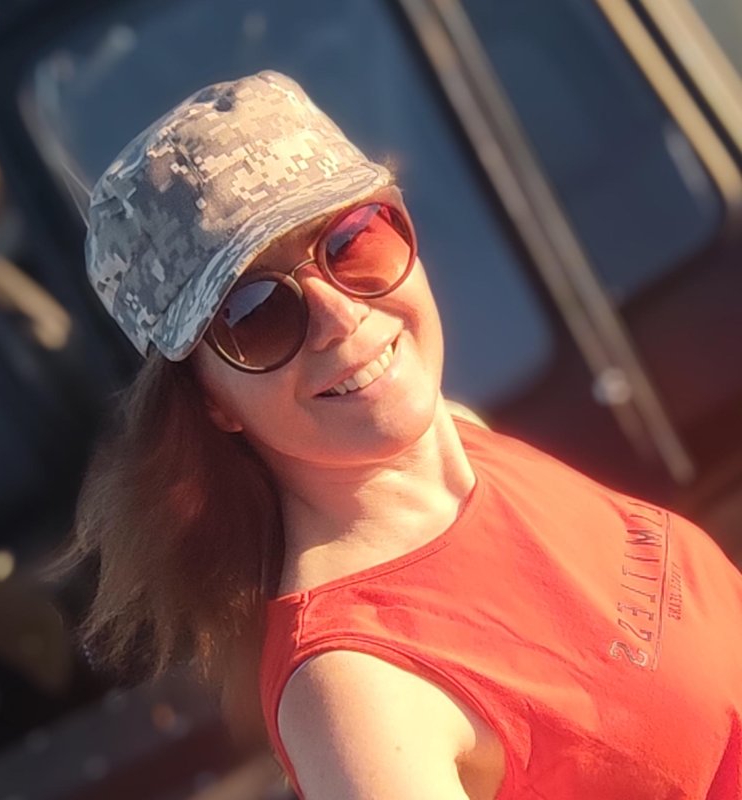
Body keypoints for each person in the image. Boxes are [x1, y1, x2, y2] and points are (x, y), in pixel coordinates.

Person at [59, 71, 742, 799]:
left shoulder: (466, 441)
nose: (340, 316)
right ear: (210, 403)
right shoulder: (356, 693)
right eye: (254, 314)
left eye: (352, 242)